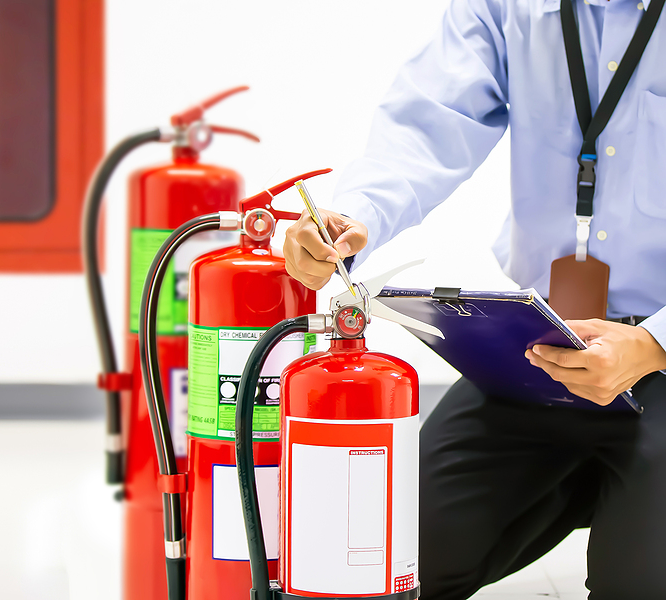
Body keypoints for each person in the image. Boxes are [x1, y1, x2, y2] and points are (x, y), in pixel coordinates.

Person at [282, 0, 666, 598]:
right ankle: (599, 486)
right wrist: (353, 218)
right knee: (388, 563)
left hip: (662, 354)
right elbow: (428, 123)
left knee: (640, 583)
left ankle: (630, 500)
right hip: (542, 352)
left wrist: (653, 342)